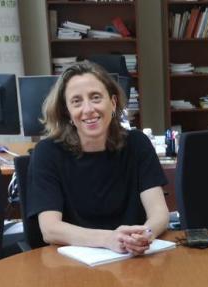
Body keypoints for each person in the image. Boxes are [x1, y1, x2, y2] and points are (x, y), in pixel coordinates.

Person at [26, 62, 169, 255]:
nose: (88, 109)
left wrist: (146, 234)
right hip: (73, 265)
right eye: (76, 101)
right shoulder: (48, 152)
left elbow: (159, 213)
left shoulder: (137, 143)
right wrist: (108, 239)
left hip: (133, 259)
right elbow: (50, 229)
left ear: (113, 102)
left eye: (95, 97)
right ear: (67, 111)